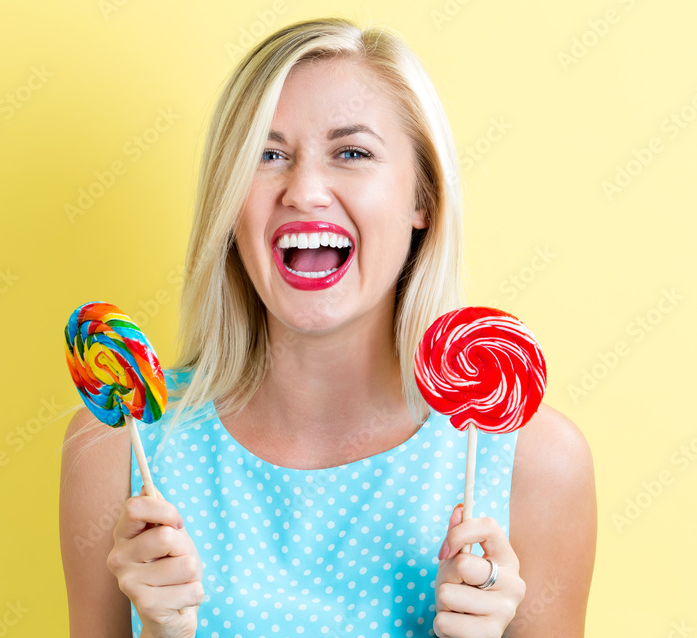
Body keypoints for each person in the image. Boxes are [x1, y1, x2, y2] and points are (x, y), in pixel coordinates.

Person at [60, 17, 596, 638]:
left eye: (352, 153)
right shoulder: (120, 446)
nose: (305, 191)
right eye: (268, 154)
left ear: (423, 198)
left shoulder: (536, 463)